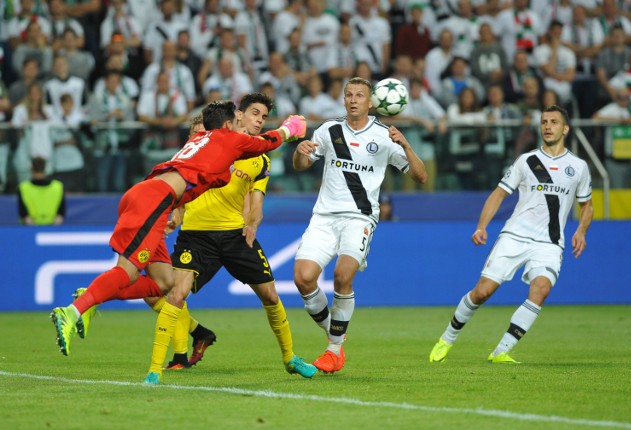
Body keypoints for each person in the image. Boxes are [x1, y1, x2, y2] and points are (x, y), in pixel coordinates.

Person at [50, 101, 307, 359]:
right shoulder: (226, 139)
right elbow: (267, 143)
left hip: (150, 198)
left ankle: (94, 296)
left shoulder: (199, 142)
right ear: (229, 124)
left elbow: (201, 180)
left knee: (164, 282)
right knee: (126, 273)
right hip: (154, 200)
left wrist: (171, 217)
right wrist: (290, 128)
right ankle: (73, 310)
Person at [144, 93, 317, 383]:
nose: (260, 120)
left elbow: (256, 201)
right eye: (255, 114)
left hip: (235, 236)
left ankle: (290, 358)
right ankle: (153, 370)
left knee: (271, 295)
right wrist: (175, 214)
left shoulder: (259, 160)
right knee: (176, 294)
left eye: (264, 116)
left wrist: (252, 223)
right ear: (239, 116)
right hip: (196, 236)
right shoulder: (210, 140)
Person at [429, 105, 593, 364]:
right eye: (543, 122)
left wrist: (581, 231)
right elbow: (499, 194)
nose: (547, 126)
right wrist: (481, 226)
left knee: (541, 289)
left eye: (553, 122)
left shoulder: (579, 167)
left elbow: (587, 206)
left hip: (550, 243)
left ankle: (501, 351)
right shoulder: (527, 161)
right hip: (515, 236)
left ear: (565, 128)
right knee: (483, 292)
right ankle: (447, 338)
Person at [292, 77, 428, 373]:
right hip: (324, 217)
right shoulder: (329, 130)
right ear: (344, 100)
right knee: (303, 279)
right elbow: (301, 165)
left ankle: (333, 350)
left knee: (342, 276)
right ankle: (335, 333)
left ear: (371, 102)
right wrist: (299, 153)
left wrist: (405, 144)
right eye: (349, 95)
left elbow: (421, 176)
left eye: (360, 95)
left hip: (359, 218)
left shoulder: (384, 136)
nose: (353, 100)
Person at [17, 157, 66, 225]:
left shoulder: (23, 187)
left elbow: (24, 214)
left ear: (31, 168)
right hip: (52, 230)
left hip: (30, 230)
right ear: (45, 168)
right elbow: (61, 213)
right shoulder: (58, 187)